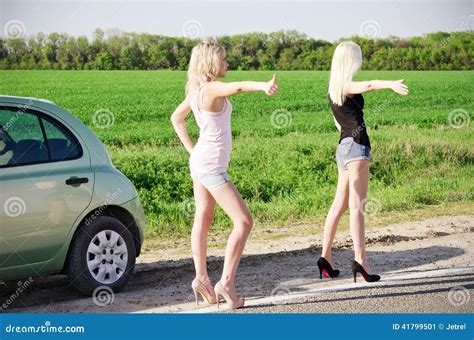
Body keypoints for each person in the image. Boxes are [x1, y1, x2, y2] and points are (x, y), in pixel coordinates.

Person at [171, 39, 279, 309]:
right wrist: (264, 86)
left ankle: (201, 278)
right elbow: (240, 86)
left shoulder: (197, 91)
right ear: (210, 63)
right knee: (243, 221)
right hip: (211, 167)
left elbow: (176, 119)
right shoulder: (212, 89)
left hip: (200, 163)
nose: (227, 63)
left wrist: (192, 151)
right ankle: (226, 283)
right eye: (223, 59)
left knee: (203, 218)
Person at [318, 41, 408, 283]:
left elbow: (338, 124)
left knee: (339, 205)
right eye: (357, 57)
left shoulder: (333, 89)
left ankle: (325, 257)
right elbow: (368, 85)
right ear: (350, 60)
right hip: (356, 147)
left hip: (343, 146)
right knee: (357, 206)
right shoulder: (347, 86)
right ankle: (361, 260)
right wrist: (390, 84)